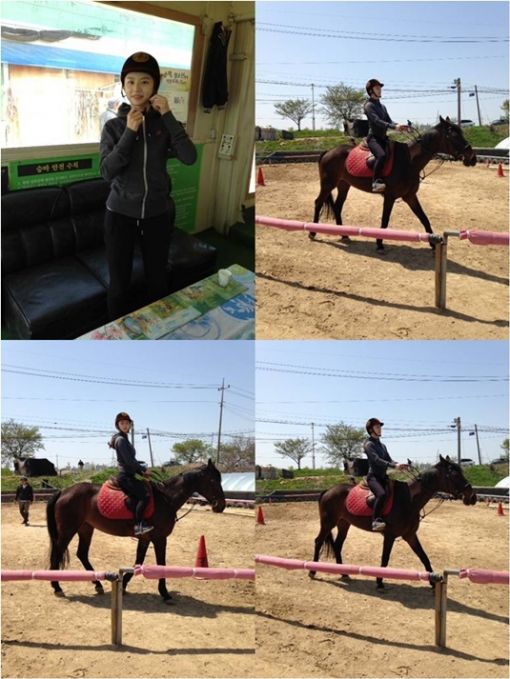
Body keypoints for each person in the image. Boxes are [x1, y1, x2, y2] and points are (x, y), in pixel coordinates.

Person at [100, 52, 197, 320]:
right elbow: (106, 172)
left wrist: (168, 116)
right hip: (119, 215)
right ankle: (117, 333)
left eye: (144, 81)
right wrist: (129, 132)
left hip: (157, 213)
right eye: (130, 82)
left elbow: (189, 157)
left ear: (155, 86)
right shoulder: (113, 127)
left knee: (157, 278)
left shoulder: (164, 124)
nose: (137, 88)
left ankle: (159, 329)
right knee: (119, 283)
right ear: (123, 86)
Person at [109, 412, 153, 536]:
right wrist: (143, 470)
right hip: (125, 476)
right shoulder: (121, 440)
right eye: (122, 423)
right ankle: (139, 525)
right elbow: (129, 461)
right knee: (144, 496)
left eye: (127, 423)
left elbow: (132, 461)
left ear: (130, 425)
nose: (125, 425)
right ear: (118, 425)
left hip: (129, 474)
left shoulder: (124, 439)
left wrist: (142, 471)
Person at [363, 79, 409, 194]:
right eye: (377, 88)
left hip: (383, 138)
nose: (380, 90)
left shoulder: (382, 106)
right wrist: (393, 127)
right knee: (382, 156)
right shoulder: (368, 105)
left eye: (380, 88)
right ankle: (375, 182)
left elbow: (389, 120)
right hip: (373, 138)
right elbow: (377, 121)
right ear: (371, 91)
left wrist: (399, 125)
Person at [364, 418, 408, 532]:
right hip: (373, 477)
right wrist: (393, 466)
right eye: (377, 427)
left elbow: (389, 459)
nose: (380, 429)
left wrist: (399, 464)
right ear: (371, 430)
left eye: (380, 427)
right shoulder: (368, 444)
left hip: (383, 477)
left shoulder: (382, 446)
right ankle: (375, 521)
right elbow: (376, 460)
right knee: (382, 494)